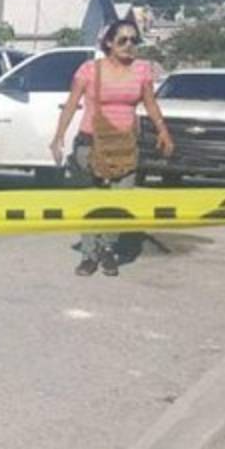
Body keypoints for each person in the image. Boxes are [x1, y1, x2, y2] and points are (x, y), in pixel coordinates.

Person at [50, 20, 175, 277]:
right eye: (122, 40)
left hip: (125, 145)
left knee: (119, 201)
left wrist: (163, 131)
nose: (129, 45)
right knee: (92, 200)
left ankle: (108, 248)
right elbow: (72, 103)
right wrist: (59, 136)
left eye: (134, 40)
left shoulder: (141, 71)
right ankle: (89, 254)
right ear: (109, 42)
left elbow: (150, 104)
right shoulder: (89, 70)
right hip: (91, 143)